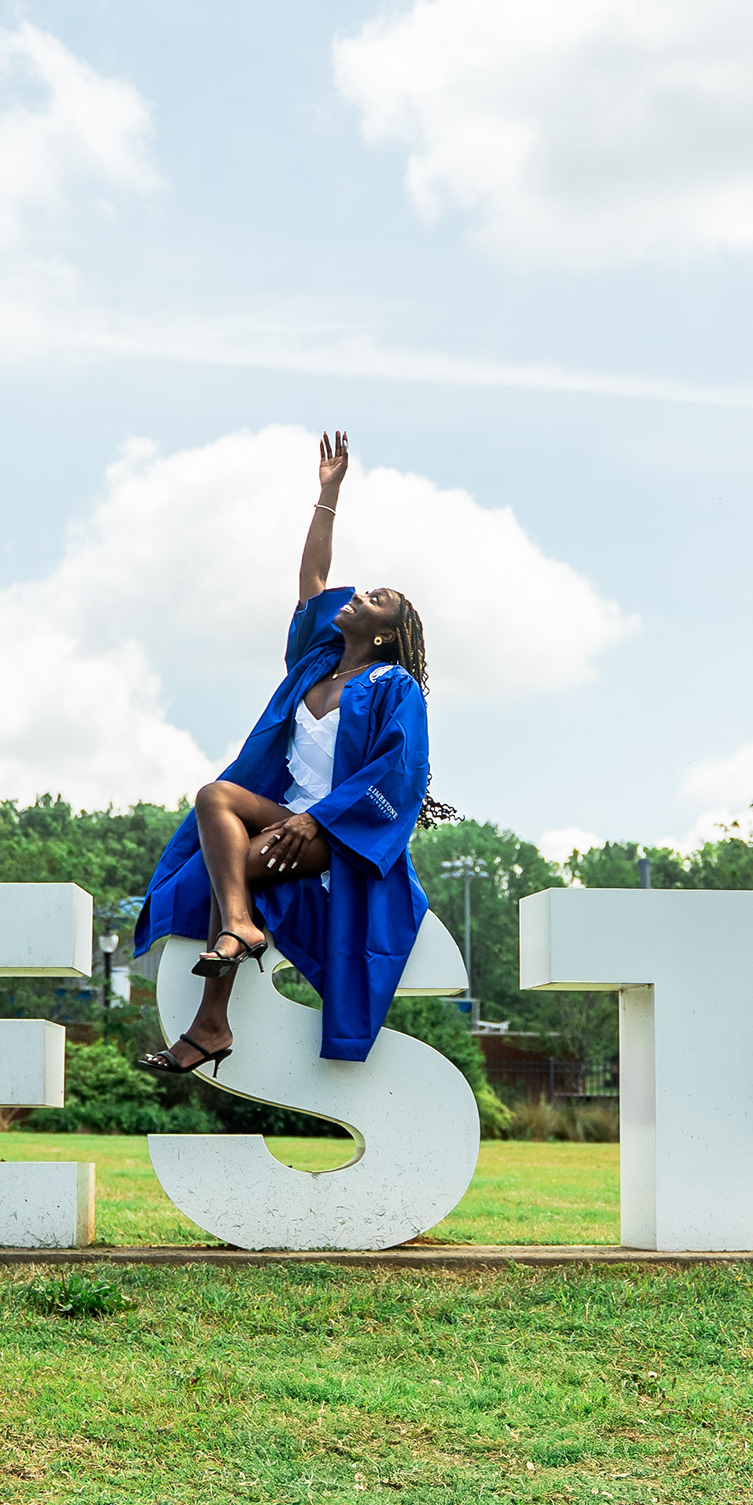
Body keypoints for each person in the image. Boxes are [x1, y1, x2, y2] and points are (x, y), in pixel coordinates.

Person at [135, 429, 439, 1079]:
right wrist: (328, 494)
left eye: (374, 600)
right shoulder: (314, 665)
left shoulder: (394, 686)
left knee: (231, 869)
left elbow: (397, 773)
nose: (357, 595)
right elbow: (313, 581)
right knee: (215, 797)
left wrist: (318, 819)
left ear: (385, 635)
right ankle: (238, 932)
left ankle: (211, 1022)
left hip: (339, 835)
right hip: (285, 814)